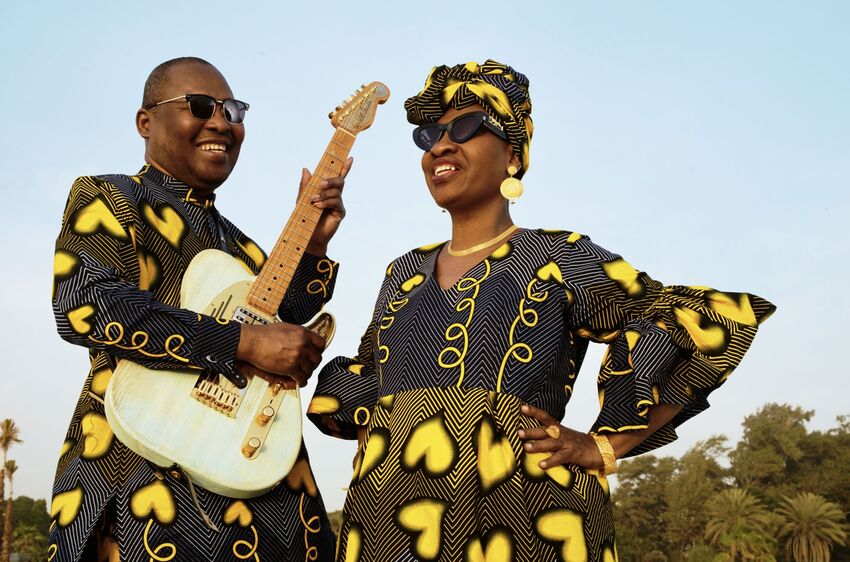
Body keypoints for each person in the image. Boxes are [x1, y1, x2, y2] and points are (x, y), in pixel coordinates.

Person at [307, 60, 775, 562]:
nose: (440, 145)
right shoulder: (404, 272)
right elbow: (368, 382)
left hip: (525, 515)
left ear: (512, 152)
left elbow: (687, 322)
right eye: (429, 135)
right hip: (389, 523)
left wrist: (604, 447)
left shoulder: (561, 256)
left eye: (464, 127)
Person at [50, 57, 350, 561]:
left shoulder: (247, 249)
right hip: (143, 468)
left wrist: (313, 247)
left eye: (233, 110)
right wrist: (243, 342)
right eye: (200, 106)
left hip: (263, 487)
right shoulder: (111, 196)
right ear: (146, 122)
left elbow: (284, 324)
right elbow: (85, 302)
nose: (220, 121)